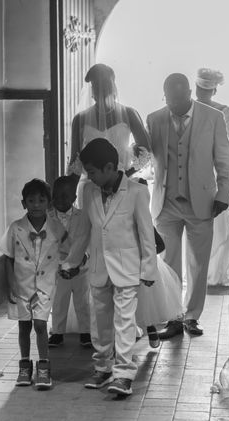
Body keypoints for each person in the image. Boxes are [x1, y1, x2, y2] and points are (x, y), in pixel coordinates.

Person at [61, 138, 157, 397]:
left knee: (124, 321)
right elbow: (83, 231)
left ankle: (124, 373)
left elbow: (146, 233)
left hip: (127, 268)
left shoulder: (137, 192)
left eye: (92, 172)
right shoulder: (88, 192)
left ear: (110, 167)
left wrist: (149, 268)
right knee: (100, 319)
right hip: (99, 266)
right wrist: (71, 261)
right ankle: (103, 366)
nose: (89, 177)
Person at [147, 73, 229, 339]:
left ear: (188, 94)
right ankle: (173, 318)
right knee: (169, 263)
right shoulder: (154, 119)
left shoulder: (213, 118)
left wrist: (223, 195)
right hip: (166, 202)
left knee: (199, 262)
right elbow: (145, 154)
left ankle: (192, 316)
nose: (172, 104)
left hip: (203, 201)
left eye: (177, 98)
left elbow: (224, 161)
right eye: (168, 99)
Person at [0, 179, 67, 390]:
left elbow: (68, 251)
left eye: (41, 200)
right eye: (31, 200)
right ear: (23, 203)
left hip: (45, 285)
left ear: (49, 203)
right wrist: (10, 285)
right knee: (24, 325)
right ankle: (25, 366)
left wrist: (66, 267)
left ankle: (43, 367)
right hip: (22, 284)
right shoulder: (15, 228)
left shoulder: (57, 228)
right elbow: (8, 257)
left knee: (40, 324)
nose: (36, 204)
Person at [66, 63, 152, 207]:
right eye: (96, 86)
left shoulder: (129, 114)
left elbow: (146, 153)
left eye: (104, 85)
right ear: (92, 90)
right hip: (90, 187)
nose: (100, 90)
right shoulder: (80, 119)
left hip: (122, 185)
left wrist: (124, 176)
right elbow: (75, 163)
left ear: (113, 86)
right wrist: (67, 193)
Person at [195, 68, 229, 286]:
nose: (201, 92)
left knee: (219, 222)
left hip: (214, 169)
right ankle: (203, 272)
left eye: (205, 89)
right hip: (196, 171)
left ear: (213, 90)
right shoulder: (189, 110)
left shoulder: (224, 112)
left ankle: (217, 272)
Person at [134, 180, 185, 348]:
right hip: (126, 266)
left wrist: (146, 256)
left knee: (146, 302)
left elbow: (161, 244)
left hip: (145, 267)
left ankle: (150, 328)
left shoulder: (146, 221)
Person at [48, 175, 92, 348]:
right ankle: (57, 332)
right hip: (58, 269)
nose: (60, 200)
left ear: (74, 198)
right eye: (56, 196)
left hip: (81, 268)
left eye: (65, 196)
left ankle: (86, 333)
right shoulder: (48, 218)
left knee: (83, 301)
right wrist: (58, 265)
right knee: (58, 302)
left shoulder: (83, 217)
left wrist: (81, 263)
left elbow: (88, 242)